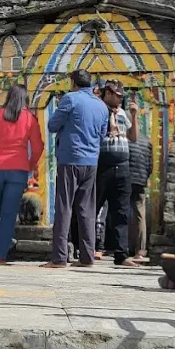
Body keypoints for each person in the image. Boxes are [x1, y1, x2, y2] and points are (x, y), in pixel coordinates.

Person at [44, 70, 108, 269]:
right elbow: (103, 134)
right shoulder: (101, 105)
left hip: (70, 159)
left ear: (73, 82)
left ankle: (59, 258)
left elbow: (52, 125)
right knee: (87, 209)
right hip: (91, 162)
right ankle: (87, 256)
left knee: (64, 207)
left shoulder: (70, 99)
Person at [0, 84, 44, 264]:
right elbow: (38, 147)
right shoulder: (30, 119)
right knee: (8, 214)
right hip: (18, 170)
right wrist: (30, 164)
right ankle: (0, 256)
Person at [96, 80, 136, 268]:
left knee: (120, 212)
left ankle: (122, 254)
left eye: (122, 97)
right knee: (93, 208)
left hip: (123, 166)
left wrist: (134, 117)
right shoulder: (98, 111)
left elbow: (133, 137)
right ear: (107, 94)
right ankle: (88, 248)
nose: (120, 100)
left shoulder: (122, 113)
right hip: (102, 165)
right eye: (117, 96)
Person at [127, 103, 153, 262]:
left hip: (126, 179)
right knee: (139, 215)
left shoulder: (126, 139)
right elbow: (150, 165)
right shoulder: (147, 141)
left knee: (121, 213)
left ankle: (121, 247)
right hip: (141, 180)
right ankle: (140, 250)